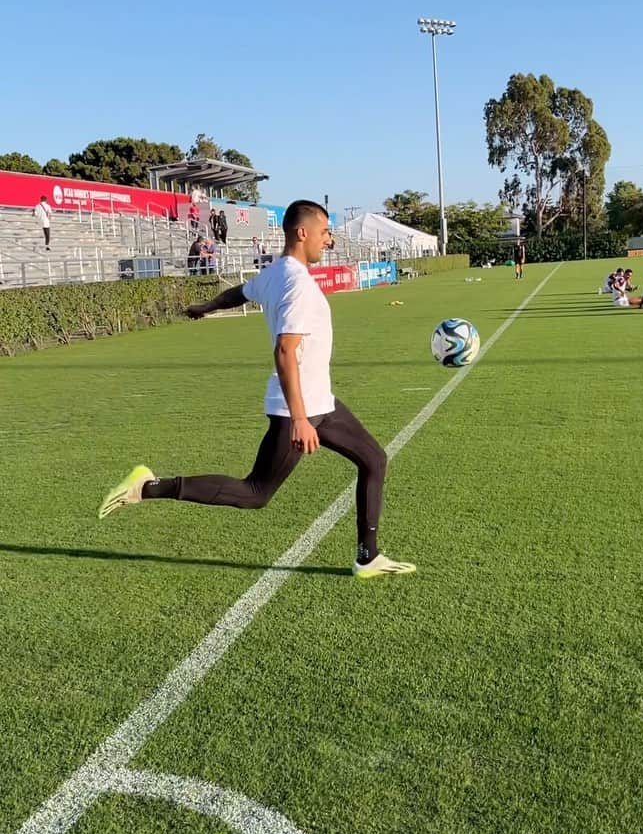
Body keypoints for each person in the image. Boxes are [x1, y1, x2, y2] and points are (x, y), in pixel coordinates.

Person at [99, 200, 415, 579]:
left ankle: (367, 557)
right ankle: (147, 487)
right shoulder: (296, 284)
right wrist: (299, 419)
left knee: (373, 459)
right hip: (297, 407)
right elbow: (285, 350)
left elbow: (240, 292)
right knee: (255, 493)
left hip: (320, 401)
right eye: (325, 231)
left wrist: (207, 306)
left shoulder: (277, 272)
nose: (328, 240)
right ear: (302, 233)